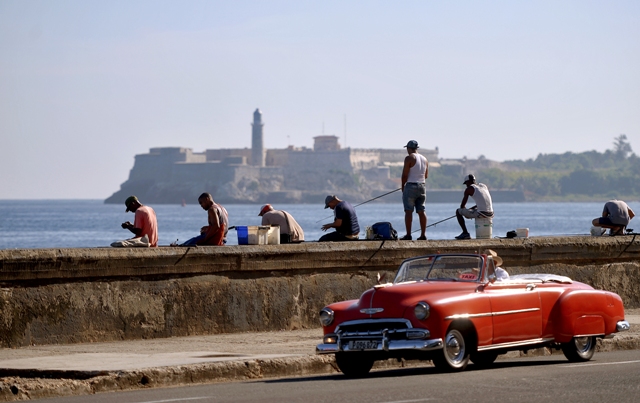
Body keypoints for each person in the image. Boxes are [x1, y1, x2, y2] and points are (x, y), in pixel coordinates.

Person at [400, 140, 428, 240]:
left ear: (408, 148)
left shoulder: (409, 158)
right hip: (422, 186)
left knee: (408, 211)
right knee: (421, 211)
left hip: (411, 186)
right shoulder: (425, 159)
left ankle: (408, 234)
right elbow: (426, 175)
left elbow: (404, 175)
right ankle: (423, 235)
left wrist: (403, 186)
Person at [455, 174, 494, 240]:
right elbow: (484, 202)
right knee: (472, 211)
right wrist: (471, 209)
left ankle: (465, 233)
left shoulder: (469, 189)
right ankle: (465, 233)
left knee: (458, 211)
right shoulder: (483, 186)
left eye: (466, 183)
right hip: (491, 213)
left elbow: (462, 206)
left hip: (481, 214)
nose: (466, 185)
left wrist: (466, 212)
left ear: (468, 182)